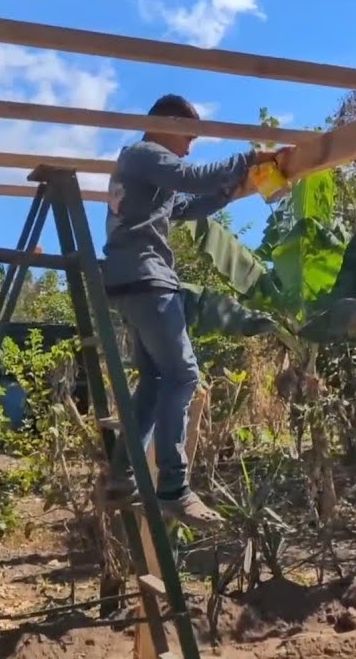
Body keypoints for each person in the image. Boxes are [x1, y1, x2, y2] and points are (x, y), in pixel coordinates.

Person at [100, 93, 293, 528]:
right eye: (188, 137)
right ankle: (174, 487)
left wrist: (231, 191)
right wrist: (250, 157)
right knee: (184, 374)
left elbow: (186, 204)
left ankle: (123, 475)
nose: (189, 147)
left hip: (128, 281)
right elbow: (191, 177)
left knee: (155, 377)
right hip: (149, 280)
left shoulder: (136, 169)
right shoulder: (145, 153)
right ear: (166, 124)